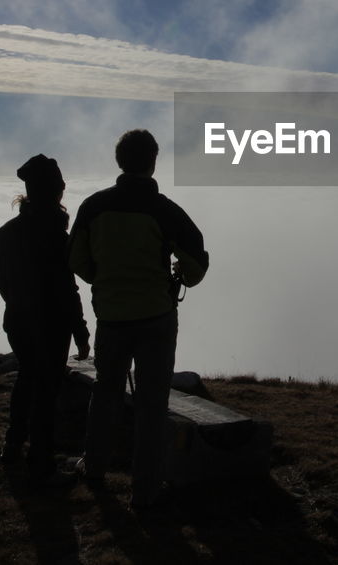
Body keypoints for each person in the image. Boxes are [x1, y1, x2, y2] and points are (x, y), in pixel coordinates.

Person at [68, 129, 209, 509]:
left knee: (106, 393)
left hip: (111, 317)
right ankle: (145, 490)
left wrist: (105, 278)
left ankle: (94, 467)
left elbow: (77, 260)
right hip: (155, 317)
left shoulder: (94, 207)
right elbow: (196, 262)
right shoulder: (164, 210)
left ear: (120, 161)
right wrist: (180, 275)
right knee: (151, 403)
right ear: (153, 162)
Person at [0, 154, 91, 485]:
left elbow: (2, 284)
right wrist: (80, 330)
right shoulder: (57, 237)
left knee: (28, 378)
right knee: (47, 388)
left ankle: (13, 444)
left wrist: (20, 307)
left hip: (19, 321)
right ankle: (41, 459)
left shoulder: (5, 234)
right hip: (53, 323)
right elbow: (67, 288)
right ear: (55, 192)